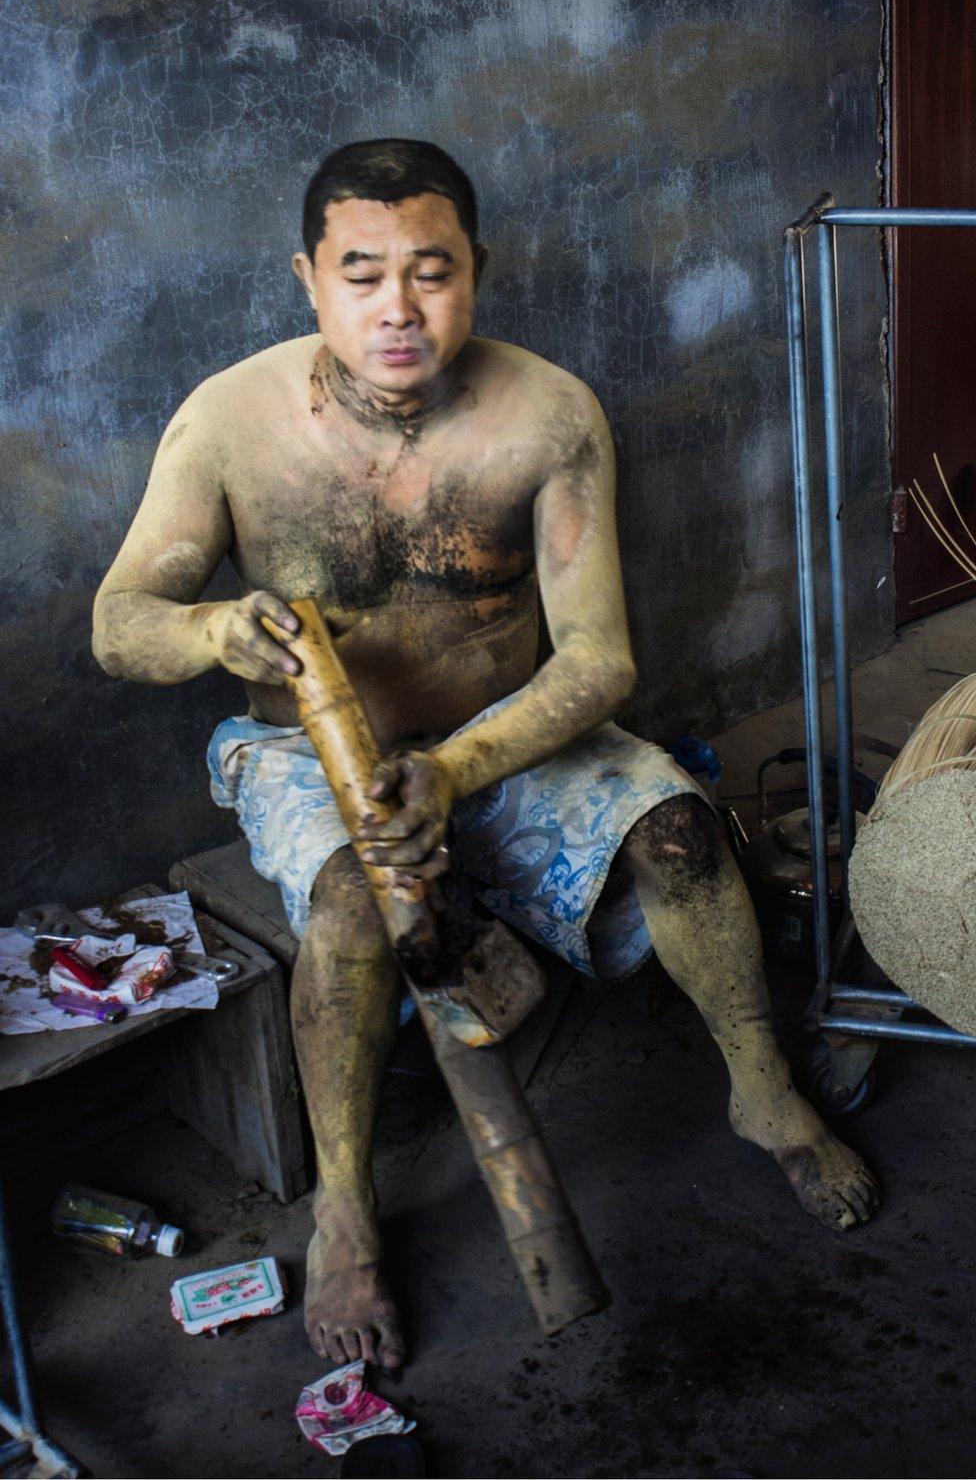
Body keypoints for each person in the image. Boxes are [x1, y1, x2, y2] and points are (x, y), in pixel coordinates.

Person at [93, 138, 879, 1372]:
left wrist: (458, 771)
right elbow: (117, 624)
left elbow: (599, 663)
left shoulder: (549, 414)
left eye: (430, 270)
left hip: (509, 733)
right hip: (309, 756)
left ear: (477, 270)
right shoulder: (227, 421)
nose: (397, 308)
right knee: (354, 908)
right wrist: (210, 627)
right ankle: (345, 1204)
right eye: (361, 274)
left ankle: (761, 1087)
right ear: (308, 278)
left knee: (681, 836)